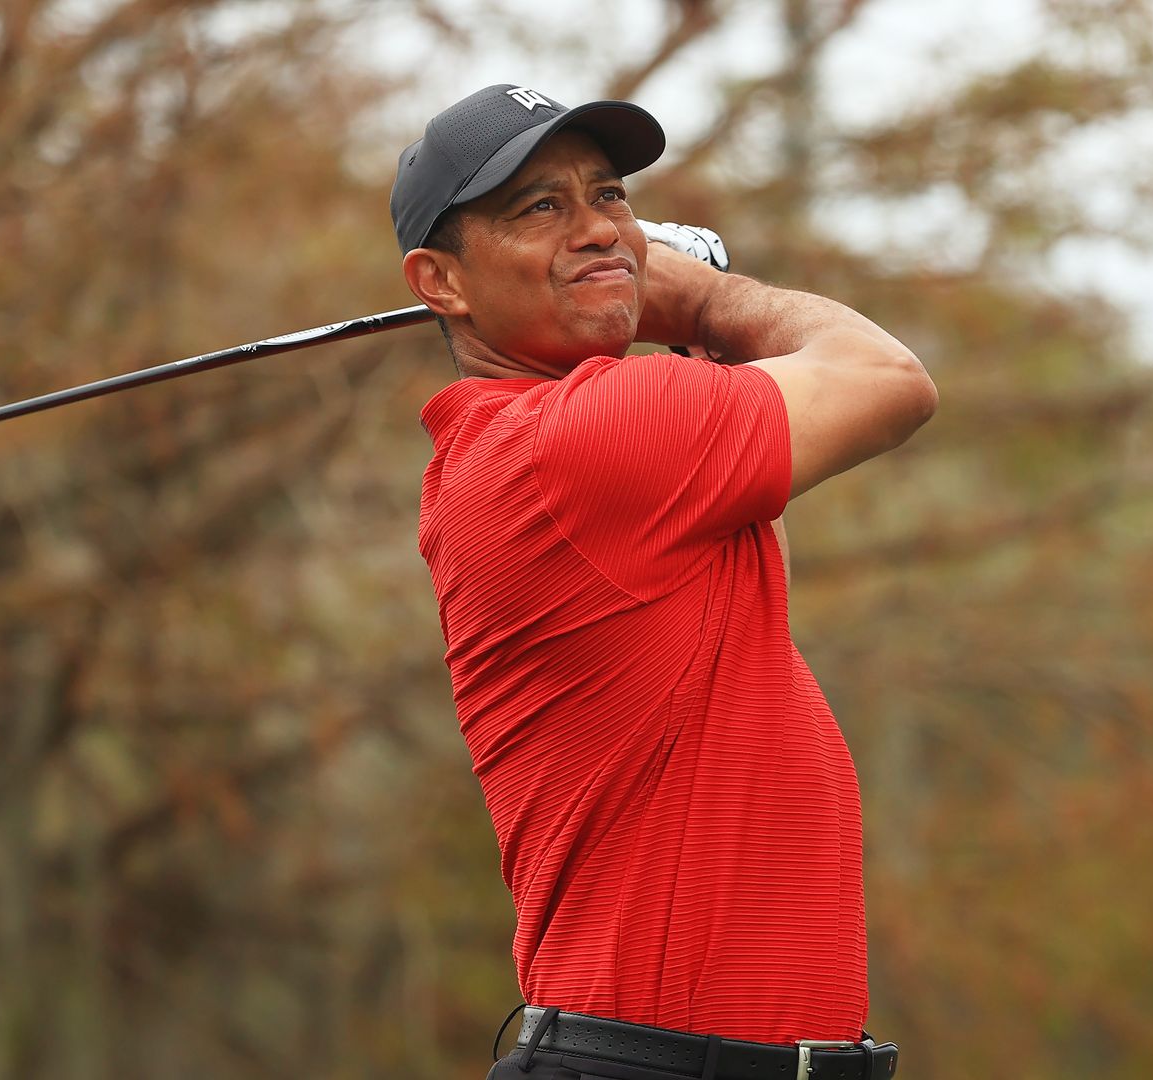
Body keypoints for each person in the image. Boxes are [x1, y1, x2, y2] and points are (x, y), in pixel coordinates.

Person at [393, 84, 936, 1080]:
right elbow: (890, 381)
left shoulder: (547, 450)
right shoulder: (575, 443)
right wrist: (704, 296)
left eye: (610, 198)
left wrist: (656, 310)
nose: (599, 229)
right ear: (440, 281)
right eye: (540, 209)